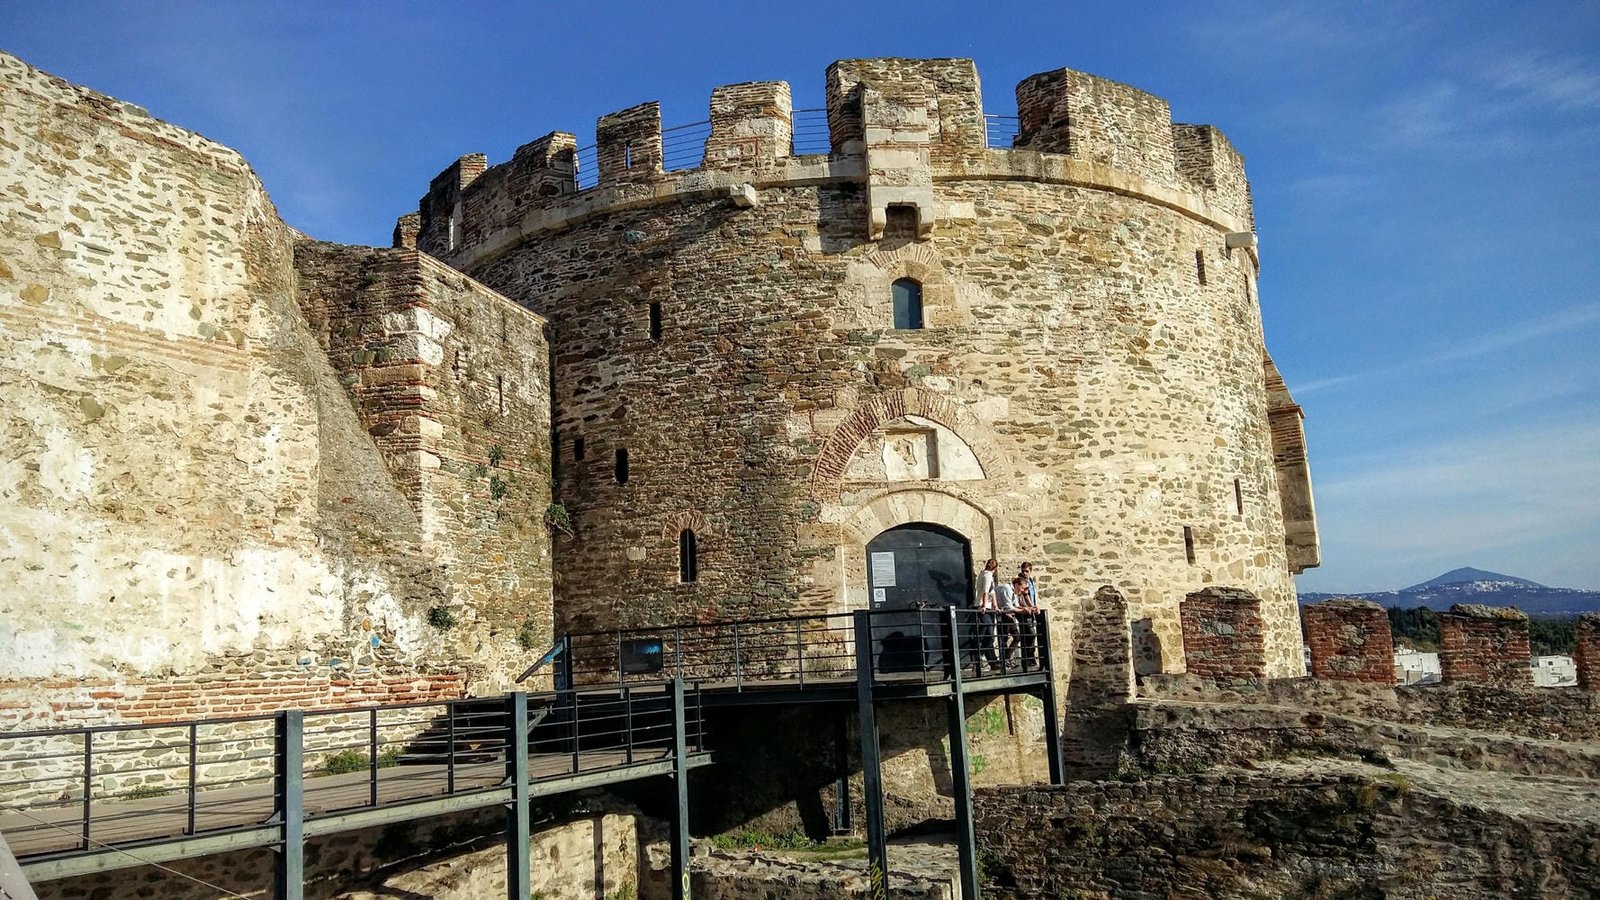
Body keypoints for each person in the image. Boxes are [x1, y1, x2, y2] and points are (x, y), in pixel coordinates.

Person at [975, 558, 1000, 671]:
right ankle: (980, 658)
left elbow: (992, 592)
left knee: (988, 636)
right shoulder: (987, 575)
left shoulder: (987, 575)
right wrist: (984, 606)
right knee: (988, 634)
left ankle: (992, 662)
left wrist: (995, 606)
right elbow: (985, 591)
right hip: (983, 607)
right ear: (995, 568)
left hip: (989, 608)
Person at [1017, 562, 1040, 667]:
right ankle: (1028, 658)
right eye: (1023, 571)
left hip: (1030, 610)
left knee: (1029, 635)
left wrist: (1034, 606)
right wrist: (1033, 607)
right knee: (1029, 634)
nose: (1024, 573)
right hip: (1024, 611)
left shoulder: (1030, 581)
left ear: (1031, 571)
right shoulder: (1021, 581)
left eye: (1026, 571)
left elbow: (1032, 595)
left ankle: (1030, 658)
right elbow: (1025, 596)